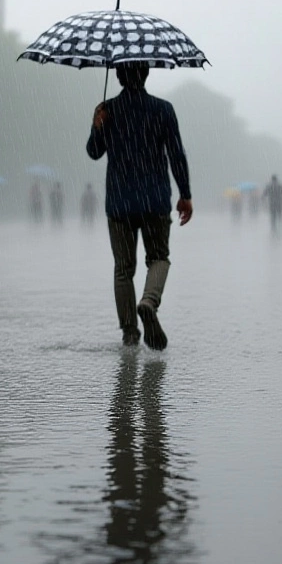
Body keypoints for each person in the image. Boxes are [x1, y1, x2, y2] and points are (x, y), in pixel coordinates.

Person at [86, 64, 192, 350]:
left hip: (119, 202)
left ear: (118, 76)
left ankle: (130, 333)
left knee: (123, 269)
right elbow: (176, 153)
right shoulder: (163, 109)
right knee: (158, 257)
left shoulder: (108, 110)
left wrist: (98, 125)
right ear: (146, 75)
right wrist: (185, 193)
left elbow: (94, 152)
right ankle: (149, 301)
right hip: (154, 199)